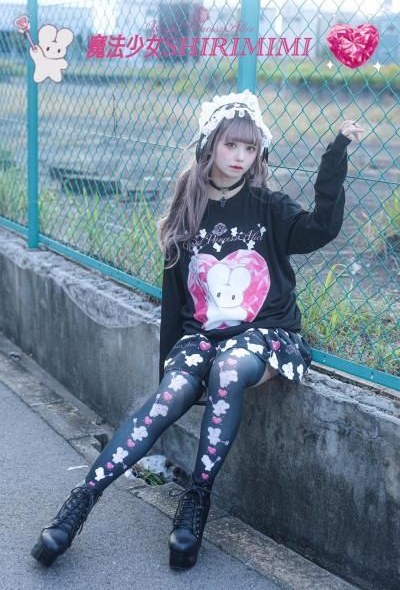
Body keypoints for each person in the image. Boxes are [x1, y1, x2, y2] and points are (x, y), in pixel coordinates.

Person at [31, 89, 364, 571]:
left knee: (229, 368)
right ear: (210, 144)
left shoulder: (268, 206)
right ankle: (79, 503)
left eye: (250, 148)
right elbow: (176, 304)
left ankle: (195, 503)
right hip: (201, 338)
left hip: (266, 334)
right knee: (169, 396)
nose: (240, 156)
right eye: (231, 145)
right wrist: (173, 374)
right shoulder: (186, 211)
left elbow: (321, 229)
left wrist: (334, 159)